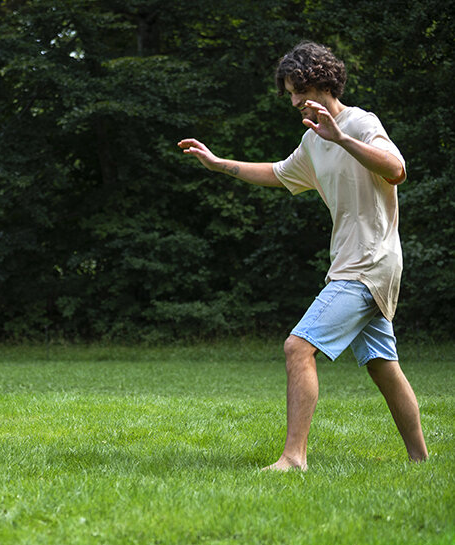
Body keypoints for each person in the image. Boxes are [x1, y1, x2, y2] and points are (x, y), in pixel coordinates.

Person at [177, 41, 428, 471]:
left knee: (298, 347)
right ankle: (421, 460)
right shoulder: (313, 141)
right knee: (383, 365)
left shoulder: (360, 123)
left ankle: (294, 458)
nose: (293, 101)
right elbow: (278, 172)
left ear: (322, 83)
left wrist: (343, 138)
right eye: (291, 93)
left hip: (368, 263)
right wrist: (220, 164)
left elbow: (396, 169)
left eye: (298, 91)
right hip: (354, 262)